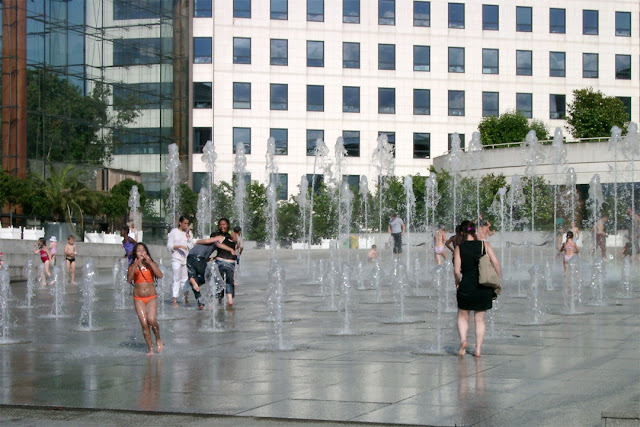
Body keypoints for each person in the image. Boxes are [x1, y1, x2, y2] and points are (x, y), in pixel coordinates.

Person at [453, 221, 501, 358]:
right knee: (479, 320)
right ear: (474, 232)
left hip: (466, 285)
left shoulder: (459, 248)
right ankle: (478, 348)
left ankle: (463, 341)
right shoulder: (485, 245)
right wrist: (498, 280)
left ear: (462, 233)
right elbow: (496, 263)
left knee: (462, 316)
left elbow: (457, 271)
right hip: (483, 286)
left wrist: (457, 283)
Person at [127, 243, 163, 356]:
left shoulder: (151, 264)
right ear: (135, 254)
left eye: (143, 250)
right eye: (138, 250)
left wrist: (150, 262)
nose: (141, 252)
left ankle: (158, 339)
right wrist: (135, 265)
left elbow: (160, 275)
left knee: (151, 319)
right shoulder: (132, 265)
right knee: (144, 323)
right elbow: (129, 280)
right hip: (138, 298)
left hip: (151, 297)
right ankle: (150, 348)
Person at [186, 231, 235, 310]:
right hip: (199, 258)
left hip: (190, 258)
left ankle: (200, 303)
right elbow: (219, 245)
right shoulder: (214, 242)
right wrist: (230, 249)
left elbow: (204, 259)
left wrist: (214, 257)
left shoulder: (201, 245)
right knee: (207, 278)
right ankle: (196, 282)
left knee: (193, 281)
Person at [167, 216, 194, 307]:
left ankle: (186, 299)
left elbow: (191, 246)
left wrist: (188, 237)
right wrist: (178, 246)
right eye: (184, 223)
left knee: (185, 279)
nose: (186, 225)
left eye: (187, 224)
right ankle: (174, 299)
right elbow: (169, 246)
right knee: (176, 278)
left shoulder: (188, 233)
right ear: (180, 223)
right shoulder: (174, 232)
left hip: (185, 259)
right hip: (176, 258)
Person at [214, 218, 238, 307]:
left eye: (224, 224)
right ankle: (230, 300)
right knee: (228, 281)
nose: (222, 226)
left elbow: (236, 246)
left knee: (218, 281)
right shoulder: (218, 235)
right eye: (220, 224)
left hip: (222, 262)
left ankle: (217, 300)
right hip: (229, 263)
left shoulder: (227, 236)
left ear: (227, 225)